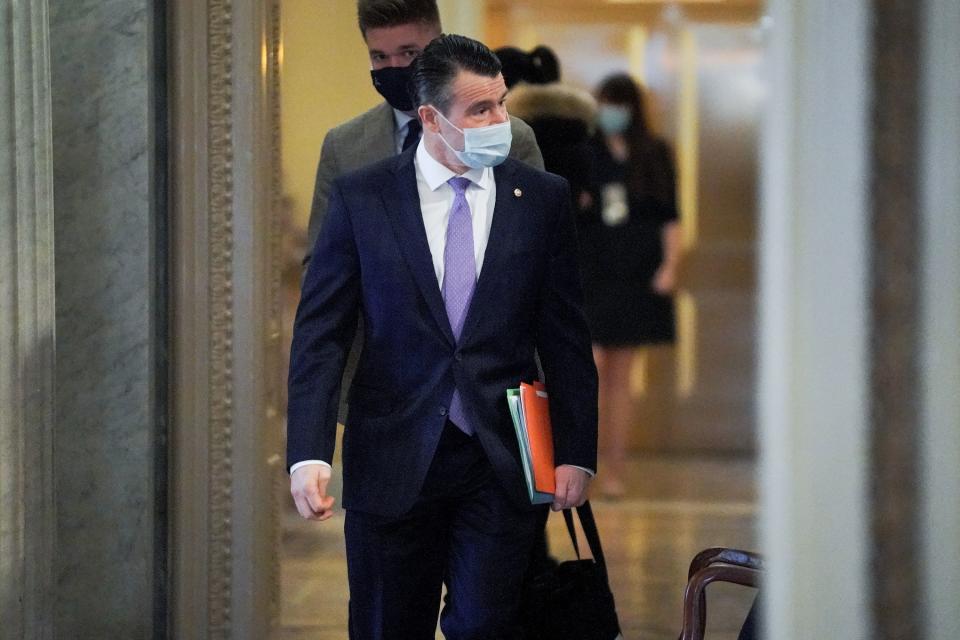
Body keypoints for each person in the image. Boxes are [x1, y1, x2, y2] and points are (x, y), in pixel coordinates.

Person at [287, 34, 598, 639]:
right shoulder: (364, 197)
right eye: (479, 110)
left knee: (485, 626)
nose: (499, 122)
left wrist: (576, 451)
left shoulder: (539, 198)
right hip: (393, 454)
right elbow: (321, 331)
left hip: (501, 458)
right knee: (386, 625)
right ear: (431, 117)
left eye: (502, 104)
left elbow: (565, 335)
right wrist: (308, 449)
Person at [304, 0, 544, 264]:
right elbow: (323, 264)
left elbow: (538, 251)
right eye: (380, 57)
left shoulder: (508, 136)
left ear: (437, 48)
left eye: (408, 53)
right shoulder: (344, 147)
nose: (394, 67)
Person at [585, 73, 681, 497]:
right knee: (589, 371)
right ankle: (580, 465)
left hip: (636, 276)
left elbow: (670, 217)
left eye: (619, 105)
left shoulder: (655, 154)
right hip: (591, 272)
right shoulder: (584, 153)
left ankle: (617, 470)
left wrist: (670, 267)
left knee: (622, 377)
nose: (612, 113)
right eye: (606, 103)